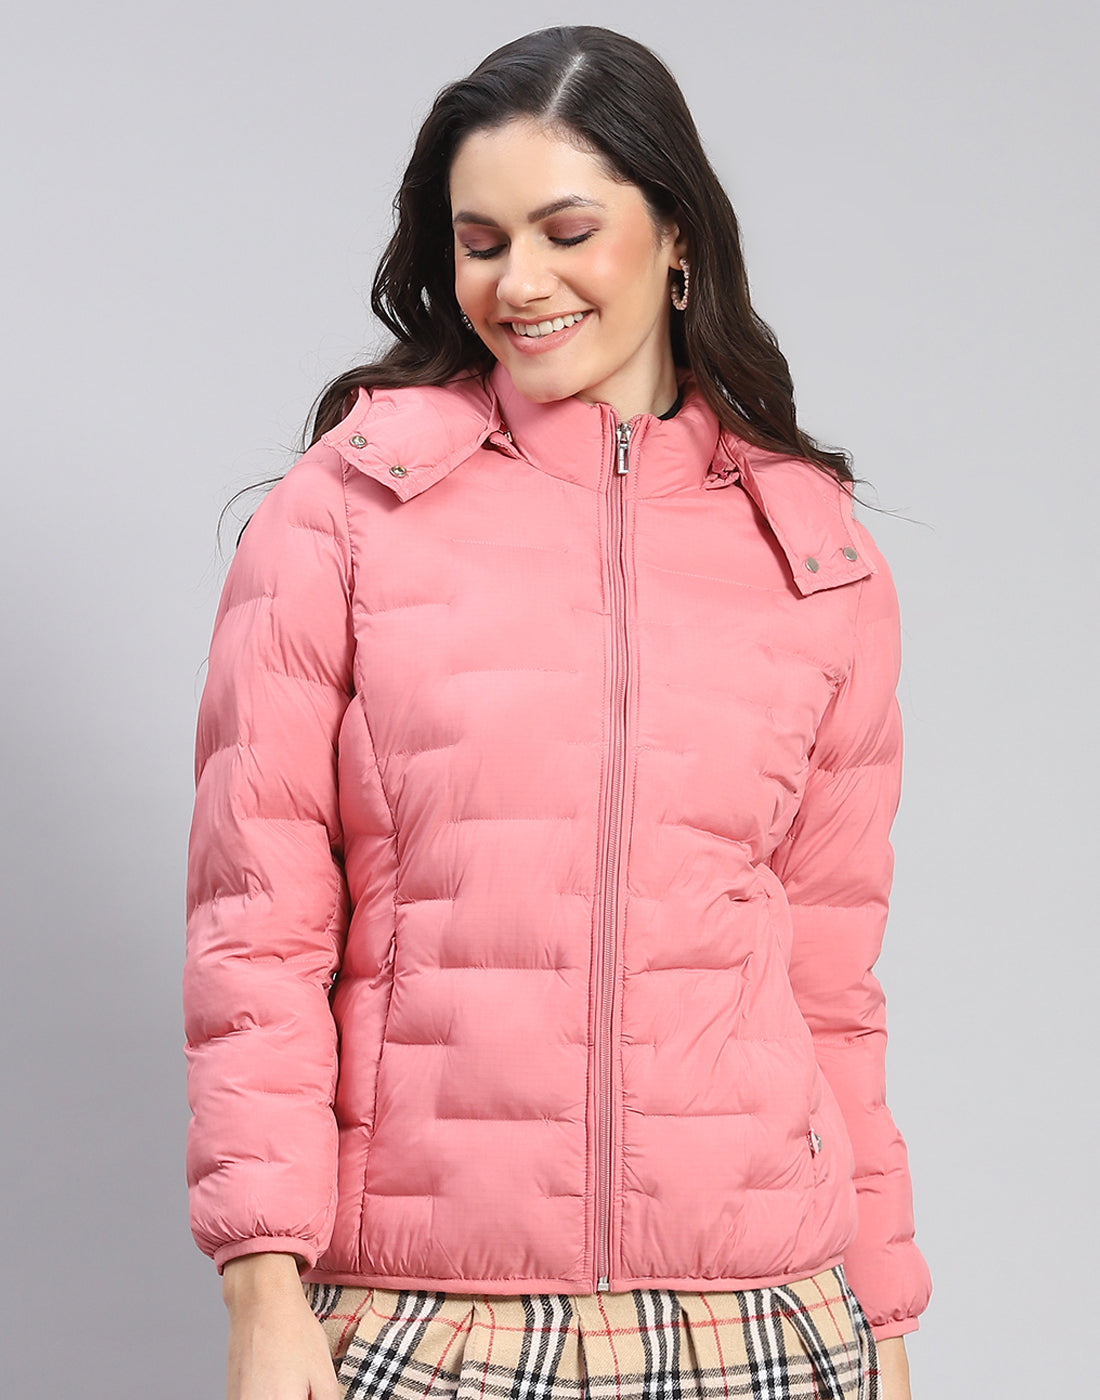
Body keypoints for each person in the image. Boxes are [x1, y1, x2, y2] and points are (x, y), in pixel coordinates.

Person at [183, 25, 932, 1400]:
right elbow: (257, 934)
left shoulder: (813, 553)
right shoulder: (346, 513)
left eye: (567, 231)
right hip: (434, 1325)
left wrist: (882, 1323)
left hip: (766, 1325)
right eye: (480, 243)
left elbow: (832, 988)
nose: (518, 283)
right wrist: (263, 1292)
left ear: (677, 235)